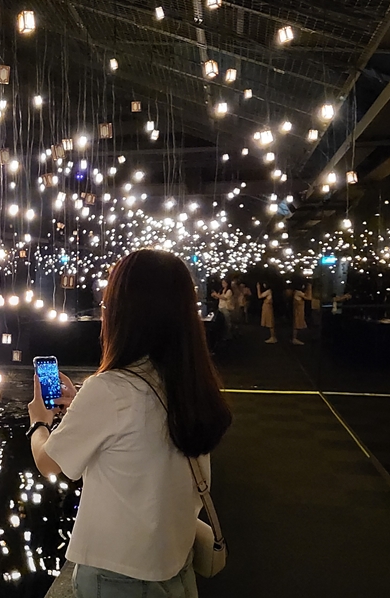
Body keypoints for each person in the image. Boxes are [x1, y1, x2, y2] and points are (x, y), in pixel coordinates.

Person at [26, 250, 232, 598]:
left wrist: (39, 421)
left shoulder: (112, 389)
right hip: (174, 561)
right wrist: (82, 409)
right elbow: (141, 435)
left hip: (118, 575)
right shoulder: (188, 381)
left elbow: (49, 463)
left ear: (122, 313)